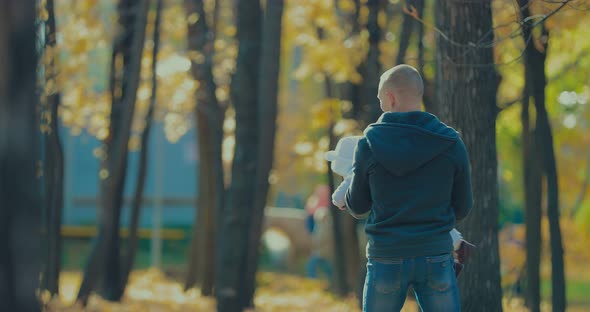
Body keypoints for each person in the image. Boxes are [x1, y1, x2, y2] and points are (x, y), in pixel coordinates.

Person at [333, 64, 473, 311]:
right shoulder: (450, 142)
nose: (380, 104)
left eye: (380, 99)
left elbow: (360, 205)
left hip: (387, 254)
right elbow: (463, 207)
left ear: (390, 97)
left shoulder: (369, 144)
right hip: (436, 253)